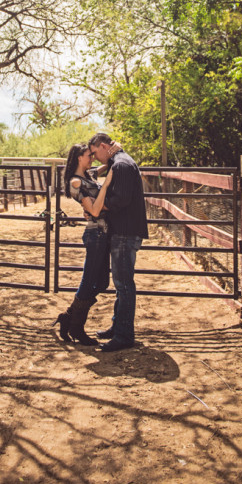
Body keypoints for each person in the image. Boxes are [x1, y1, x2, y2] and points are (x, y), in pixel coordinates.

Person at [88, 132, 148, 352]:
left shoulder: (121, 165)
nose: (95, 158)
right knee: (121, 283)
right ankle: (118, 326)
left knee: (124, 284)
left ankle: (124, 335)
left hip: (125, 231)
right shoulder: (119, 162)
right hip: (124, 230)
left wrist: (96, 207)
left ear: (104, 146)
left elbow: (121, 200)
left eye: (95, 153)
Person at [53, 144, 114, 345]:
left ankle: (69, 317)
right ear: (79, 157)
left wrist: (114, 152)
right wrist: (106, 187)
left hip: (104, 233)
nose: (93, 158)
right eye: (89, 155)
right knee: (89, 281)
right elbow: (94, 211)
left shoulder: (90, 175)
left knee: (103, 282)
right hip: (95, 233)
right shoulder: (75, 182)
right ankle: (77, 327)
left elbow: (109, 165)